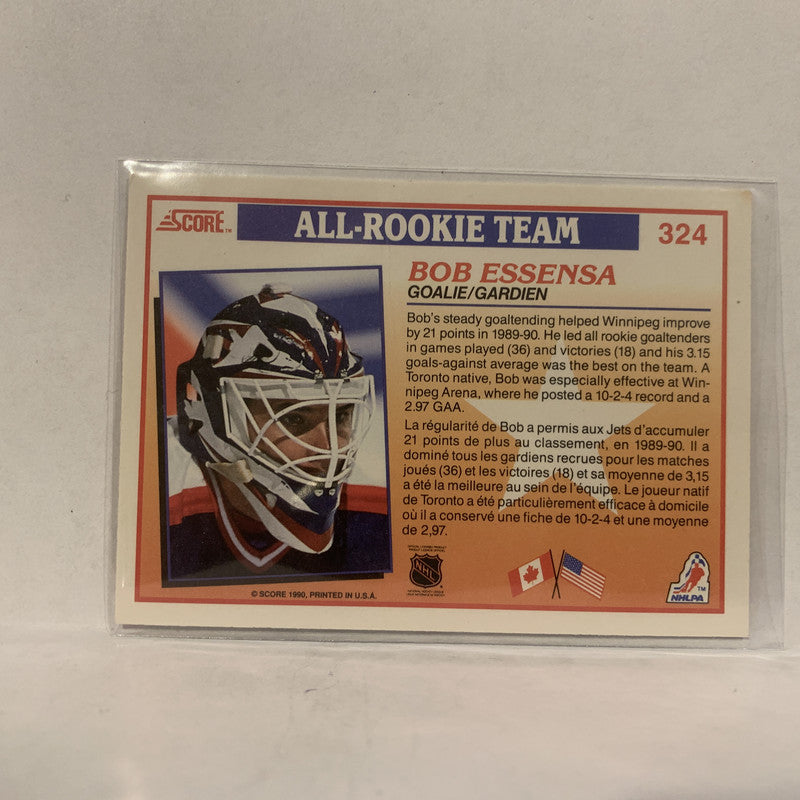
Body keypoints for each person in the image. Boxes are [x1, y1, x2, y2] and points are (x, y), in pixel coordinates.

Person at [165, 283, 390, 582]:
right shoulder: (158, 489)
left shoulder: (380, 503)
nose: (329, 449)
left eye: (340, 415)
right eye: (294, 418)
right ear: (215, 412)